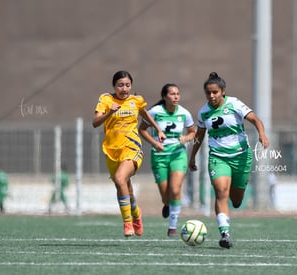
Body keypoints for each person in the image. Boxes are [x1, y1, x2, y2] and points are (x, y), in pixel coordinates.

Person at [189, 72, 270, 249]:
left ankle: (236, 196)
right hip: (218, 157)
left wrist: (262, 135)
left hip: (241, 156)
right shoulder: (203, 112)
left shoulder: (234, 104)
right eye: (208, 93)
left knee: (236, 200)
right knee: (220, 192)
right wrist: (192, 156)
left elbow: (255, 119)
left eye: (215, 92)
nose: (211, 96)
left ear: (222, 91)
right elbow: (199, 135)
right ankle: (225, 233)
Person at [92, 70, 166, 237]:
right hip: (111, 151)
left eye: (127, 85)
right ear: (114, 86)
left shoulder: (136, 100)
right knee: (125, 187)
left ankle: (127, 223)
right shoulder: (105, 100)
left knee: (120, 178)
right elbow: (95, 122)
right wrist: (109, 112)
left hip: (132, 148)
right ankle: (136, 214)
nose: (124, 89)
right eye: (120, 85)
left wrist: (158, 129)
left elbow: (144, 113)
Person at [139, 83, 196, 237]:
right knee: (165, 194)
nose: (176, 96)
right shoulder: (155, 112)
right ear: (164, 97)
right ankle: (166, 203)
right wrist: (155, 143)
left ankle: (172, 227)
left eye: (178, 93)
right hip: (159, 156)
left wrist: (186, 138)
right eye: (172, 94)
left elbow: (192, 132)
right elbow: (141, 129)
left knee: (175, 189)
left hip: (178, 154)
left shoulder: (184, 113)